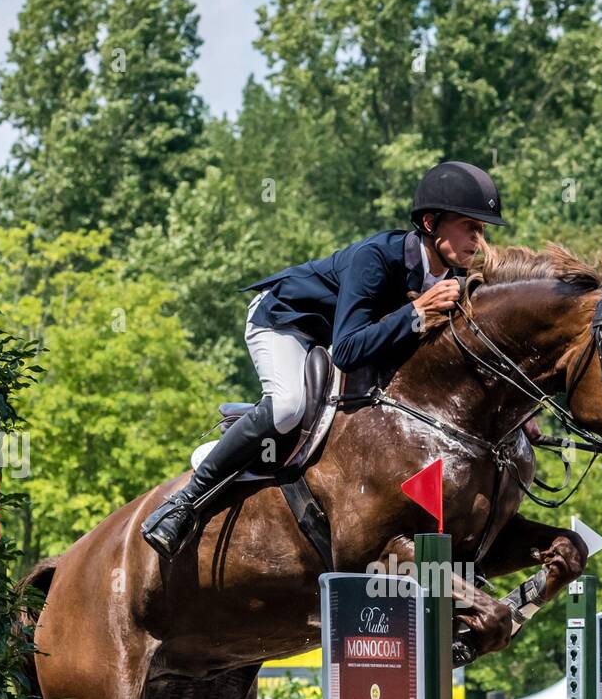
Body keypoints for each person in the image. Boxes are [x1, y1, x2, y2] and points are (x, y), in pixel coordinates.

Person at [141, 160, 505, 558]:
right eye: (469, 225)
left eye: (482, 229)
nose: (479, 239)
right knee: (287, 407)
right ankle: (184, 503)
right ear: (431, 223)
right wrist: (416, 315)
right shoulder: (377, 258)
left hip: (335, 335)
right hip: (285, 320)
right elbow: (347, 350)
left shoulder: (453, 278)